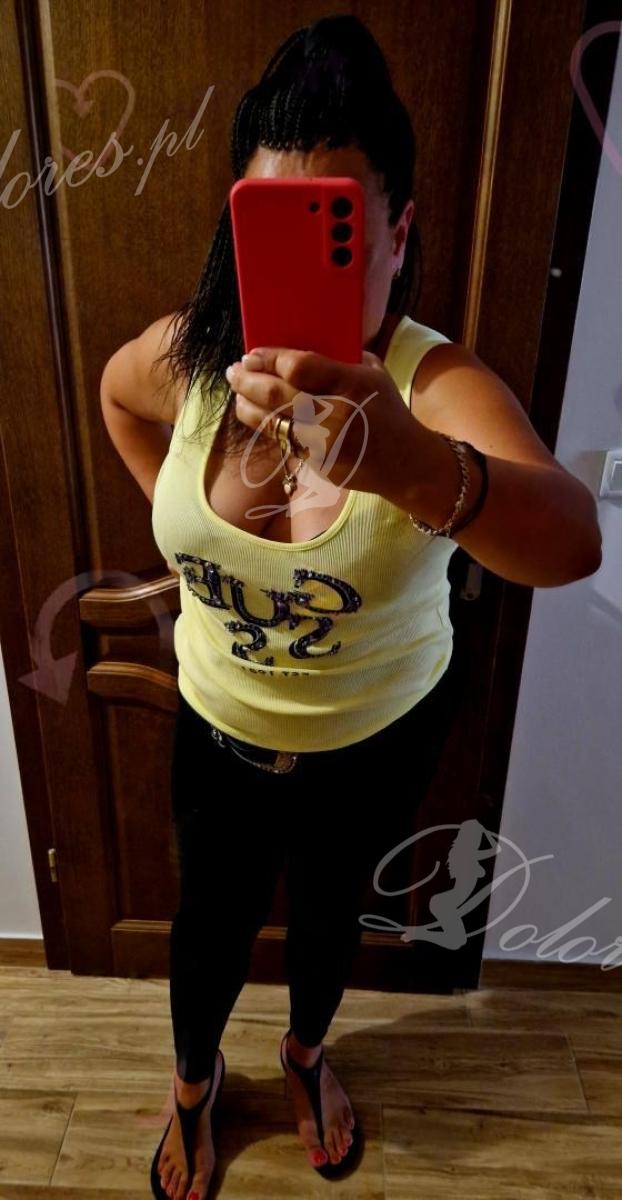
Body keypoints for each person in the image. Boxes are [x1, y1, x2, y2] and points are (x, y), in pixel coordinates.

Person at [100, 15, 602, 1200]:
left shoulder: (433, 384)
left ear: (398, 233)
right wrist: (192, 544)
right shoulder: (193, 359)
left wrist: (413, 467)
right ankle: (193, 1087)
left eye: (333, 230)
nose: (296, 267)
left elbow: (571, 543)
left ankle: (306, 1054)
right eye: (268, 225)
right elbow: (120, 401)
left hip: (377, 737)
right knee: (207, 933)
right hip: (218, 729)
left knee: (331, 924)